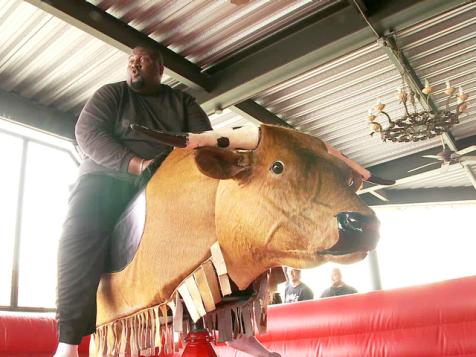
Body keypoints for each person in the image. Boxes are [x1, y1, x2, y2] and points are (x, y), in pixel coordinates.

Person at [54, 46, 279, 357]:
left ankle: (235, 328)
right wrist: (136, 164)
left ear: (160, 69)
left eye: (142, 59)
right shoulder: (112, 95)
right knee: (77, 235)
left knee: (226, 227)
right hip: (107, 180)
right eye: (130, 60)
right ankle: (68, 342)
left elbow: (204, 141)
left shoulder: (182, 102)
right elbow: (87, 133)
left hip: (167, 183)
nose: (133, 63)